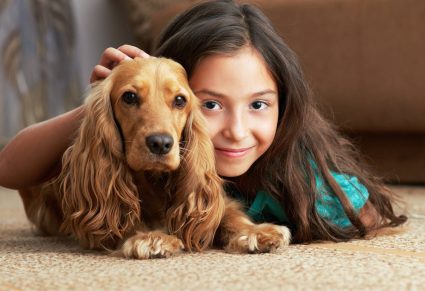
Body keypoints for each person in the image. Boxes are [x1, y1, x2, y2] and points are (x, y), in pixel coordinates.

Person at [0, 0, 406, 243]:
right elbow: (10, 168)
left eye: (259, 105)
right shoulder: (134, 139)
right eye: (209, 105)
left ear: (284, 105)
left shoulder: (295, 170)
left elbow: (365, 214)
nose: (236, 130)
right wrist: (103, 102)